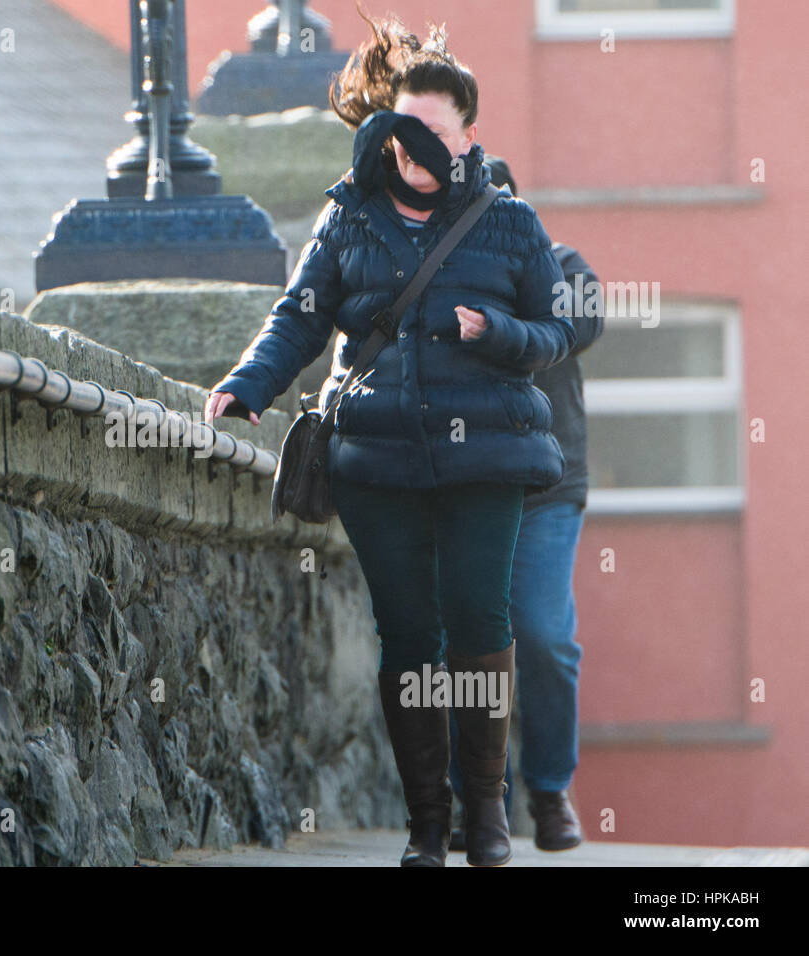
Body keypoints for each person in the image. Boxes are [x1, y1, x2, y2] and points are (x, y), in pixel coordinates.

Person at [202, 13, 576, 867]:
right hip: (376, 459)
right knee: (408, 637)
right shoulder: (349, 218)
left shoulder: (510, 222)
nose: (419, 153)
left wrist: (500, 337)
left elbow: (559, 330)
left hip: (488, 455)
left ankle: (486, 815)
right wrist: (247, 386)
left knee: (480, 622)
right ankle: (426, 827)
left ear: (467, 138)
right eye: (406, 136)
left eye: (437, 136)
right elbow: (297, 317)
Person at [445, 154, 603, 854]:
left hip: (546, 489)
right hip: (460, 487)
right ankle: (482, 802)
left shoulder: (564, 269)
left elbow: (579, 326)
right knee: (465, 650)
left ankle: (549, 789)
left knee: (542, 636)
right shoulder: (438, 282)